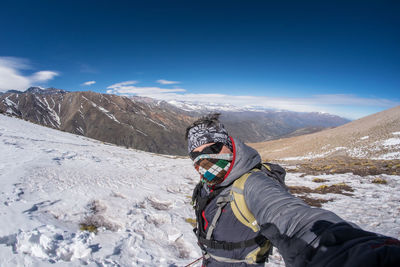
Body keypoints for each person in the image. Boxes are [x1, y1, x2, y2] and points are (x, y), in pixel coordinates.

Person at [185, 113, 400, 267]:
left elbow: (296, 221)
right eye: (196, 156)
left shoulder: (253, 185)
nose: (204, 160)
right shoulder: (208, 183)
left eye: (213, 148)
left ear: (228, 145)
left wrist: (355, 252)